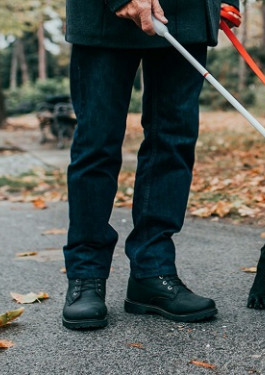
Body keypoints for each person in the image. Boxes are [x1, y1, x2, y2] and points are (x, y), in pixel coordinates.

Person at [61, 0, 241, 330]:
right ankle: (86, 275)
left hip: (187, 16)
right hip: (104, 15)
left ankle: (152, 271)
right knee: (96, 144)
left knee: (173, 142)